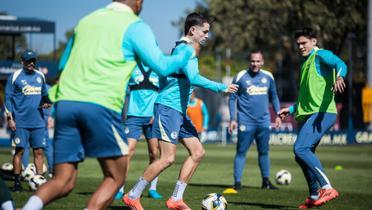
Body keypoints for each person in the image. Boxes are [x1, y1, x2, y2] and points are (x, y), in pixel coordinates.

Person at [20, 1, 195, 210]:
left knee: (63, 181)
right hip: (99, 104)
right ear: (138, 2)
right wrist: (186, 49)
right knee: (115, 177)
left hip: (66, 103)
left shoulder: (87, 20)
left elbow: (62, 64)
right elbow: (163, 66)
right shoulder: (135, 25)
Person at [123, 12, 238, 210]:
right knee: (167, 158)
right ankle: (133, 195)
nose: (207, 36)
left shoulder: (182, 49)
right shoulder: (185, 50)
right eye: (205, 31)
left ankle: (176, 199)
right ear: (193, 30)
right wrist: (221, 87)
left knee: (198, 152)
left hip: (178, 112)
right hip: (169, 109)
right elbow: (193, 78)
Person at [278, 27, 347, 208]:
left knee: (300, 149)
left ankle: (327, 188)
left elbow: (341, 64)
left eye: (304, 43)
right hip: (313, 114)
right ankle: (314, 195)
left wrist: (340, 77)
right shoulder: (305, 63)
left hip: (324, 113)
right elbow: (306, 98)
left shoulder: (321, 55)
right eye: (298, 44)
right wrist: (291, 110)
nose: (300, 46)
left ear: (314, 42)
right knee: (301, 155)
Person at [228, 50, 281, 192]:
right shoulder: (240, 76)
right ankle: (237, 183)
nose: (255, 64)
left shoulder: (268, 76)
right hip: (246, 121)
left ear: (262, 62)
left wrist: (278, 114)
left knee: (264, 152)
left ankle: (266, 181)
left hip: (264, 121)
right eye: (252, 61)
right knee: (241, 151)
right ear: (249, 61)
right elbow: (232, 98)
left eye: (258, 61)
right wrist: (233, 119)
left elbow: (274, 97)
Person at [114, 64, 163, 200]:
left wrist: (157, 113)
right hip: (133, 117)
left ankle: (152, 188)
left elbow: (162, 94)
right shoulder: (131, 68)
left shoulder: (158, 70)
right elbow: (120, 89)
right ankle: (120, 188)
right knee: (128, 151)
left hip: (152, 117)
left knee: (155, 153)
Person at [4, 49, 51, 192]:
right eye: (28, 61)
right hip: (20, 123)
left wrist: (47, 102)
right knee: (19, 151)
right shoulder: (15, 76)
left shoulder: (40, 76)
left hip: (38, 122)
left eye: (33, 61)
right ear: (22, 62)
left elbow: (45, 96)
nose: (31, 63)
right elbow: (8, 99)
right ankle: (17, 183)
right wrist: (10, 119)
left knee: (39, 152)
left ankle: (40, 182)